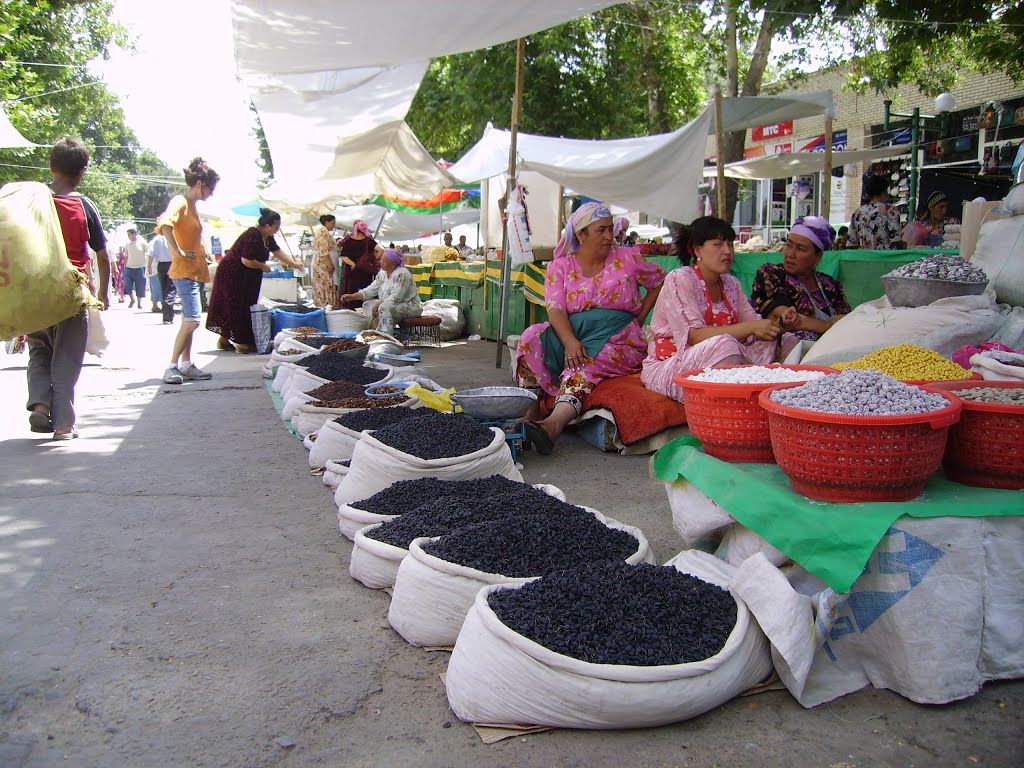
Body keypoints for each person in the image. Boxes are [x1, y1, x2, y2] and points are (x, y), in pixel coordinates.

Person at [513, 203, 666, 455]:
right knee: (530, 338)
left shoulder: (628, 258)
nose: (609, 236)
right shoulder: (560, 266)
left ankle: (553, 425)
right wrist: (570, 341)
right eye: (601, 230)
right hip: (574, 332)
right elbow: (556, 310)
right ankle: (530, 415)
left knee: (582, 363)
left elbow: (661, 281)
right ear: (581, 235)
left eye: (611, 229)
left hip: (618, 338)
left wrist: (639, 316)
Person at [641, 216, 798, 403]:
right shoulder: (680, 279)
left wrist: (778, 325)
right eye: (718, 244)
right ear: (698, 250)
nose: (727, 251)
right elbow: (694, 336)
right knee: (725, 345)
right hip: (673, 365)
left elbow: (752, 323)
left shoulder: (731, 283)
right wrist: (751, 328)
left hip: (720, 359)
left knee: (787, 340)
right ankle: (731, 402)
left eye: (730, 244)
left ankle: (786, 399)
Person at [26, 137, 109, 440]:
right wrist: (103, 292)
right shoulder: (83, 204)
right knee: (67, 355)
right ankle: (62, 425)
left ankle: (40, 404)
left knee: (39, 349)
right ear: (83, 171)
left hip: (35, 289)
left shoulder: (34, 202)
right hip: (72, 290)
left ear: (51, 166)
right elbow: (102, 253)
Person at [157, 157, 219, 384]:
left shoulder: (191, 206)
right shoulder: (180, 202)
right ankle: (172, 366)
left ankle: (186, 363)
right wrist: (178, 252)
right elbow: (165, 224)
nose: (210, 194)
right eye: (210, 189)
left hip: (194, 272)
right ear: (200, 184)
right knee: (192, 320)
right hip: (184, 271)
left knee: (190, 320)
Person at [206, 207, 302, 353]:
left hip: (248, 276)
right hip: (233, 274)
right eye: (276, 227)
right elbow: (246, 260)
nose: (277, 230)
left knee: (246, 304)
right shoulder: (252, 235)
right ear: (268, 225)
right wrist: (262, 265)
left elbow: (278, 251)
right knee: (236, 305)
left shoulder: (267, 238)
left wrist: (294, 263)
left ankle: (223, 341)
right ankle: (241, 342)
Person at [749, 216, 851, 343]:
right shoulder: (771, 273)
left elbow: (847, 321)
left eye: (800, 249)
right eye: (788, 245)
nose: (790, 254)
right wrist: (828, 325)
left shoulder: (829, 284)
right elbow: (785, 318)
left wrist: (813, 323)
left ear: (817, 257)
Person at [341, 248, 422, 333]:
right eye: (381, 260)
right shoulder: (382, 273)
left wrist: (380, 303)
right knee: (367, 305)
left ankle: (386, 335)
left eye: (384, 261)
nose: (381, 262)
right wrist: (352, 296)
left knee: (383, 307)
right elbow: (371, 290)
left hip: (410, 306)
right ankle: (374, 330)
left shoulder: (402, 274)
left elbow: (397, 297)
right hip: (390, 304)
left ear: (393, 264)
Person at [846, 175, 901, 250]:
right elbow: (896, 240)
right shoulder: (890, 210)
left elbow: (851, 243)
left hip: (864, 258)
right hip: (886, 257)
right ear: (883, 191)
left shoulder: (857, 213)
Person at [338, 219, 378, 309]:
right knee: (366, 289)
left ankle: (350, 308)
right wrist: (375, 260)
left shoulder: (349, 239)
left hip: (352, 271)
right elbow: (381, 250)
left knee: (350, 289)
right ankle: (363, 308)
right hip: (366, 271)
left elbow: (343, 253)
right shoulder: (369, 239)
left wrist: (352, 264)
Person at [311, 214, 340, 307]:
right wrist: (330, 265)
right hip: (323, 264)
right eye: (333, 223)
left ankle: (326, 306)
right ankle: (325, 306)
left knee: (326, 287)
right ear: (327, 222)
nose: (334, 225)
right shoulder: (323, 232)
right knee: (325, 287)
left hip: (324, 263)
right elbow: (324, 251)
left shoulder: (323, 231)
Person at [147, 230, 175, 323]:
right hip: (172, 264)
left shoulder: (157, 239)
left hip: (161, 266)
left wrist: (149, 265)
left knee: (164, 290)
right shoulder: (173, 236)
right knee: (171, 290)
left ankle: (167, 314)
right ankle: (168, 315)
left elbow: (151, 254)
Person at [122, 227, 147, 309]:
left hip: (140, 267)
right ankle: (132, 299)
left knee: (140, 286)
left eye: (129, 234)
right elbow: (125, 256)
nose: (128, 236)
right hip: (129, 268)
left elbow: (148, 253)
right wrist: (124, 267)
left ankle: (139, 303)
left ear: (134, 234)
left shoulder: (142, 243)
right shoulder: (127, 244)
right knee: (127, 285)